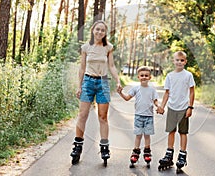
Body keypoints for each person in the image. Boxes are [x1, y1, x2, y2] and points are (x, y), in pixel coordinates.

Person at [70, 20, 121, 165]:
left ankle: (104, 146)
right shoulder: (86, 47)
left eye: (102, 30)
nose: (99, 32)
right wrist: (79, 86)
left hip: (103, 82)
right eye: (97, 29)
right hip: (88, 82)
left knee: (103, 117)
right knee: (82, 115)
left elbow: (111, 66)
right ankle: (77, 146)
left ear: (105, 33)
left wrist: (117, 81)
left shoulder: (108, 48)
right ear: (93, 30)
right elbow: (81, 67)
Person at [117, 66, 163, 167]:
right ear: (138, 77)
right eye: (142, 75)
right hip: (138, 116)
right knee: (138, 135)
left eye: (146, 75)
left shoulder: (152, 90)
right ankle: (136, 152)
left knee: (147, 135)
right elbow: (127, 98)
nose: (144, 77)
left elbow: (155, 100)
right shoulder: (136, 89)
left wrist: (158, 106)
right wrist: (120, 93)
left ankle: (147, 152)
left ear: (150, 77)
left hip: (149, 116)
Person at [158, 51, 195, 172]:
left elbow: (192, 92)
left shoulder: (188, 75)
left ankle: (182, 154)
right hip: (172, 108)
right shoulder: (170, 76)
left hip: (184, 108)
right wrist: (162, 106)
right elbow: (167, 93)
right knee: (171, 131)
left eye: (182, 60)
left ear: (185, 62)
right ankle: (169, 154)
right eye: (177, 60)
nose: (179, 62)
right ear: (173, 61)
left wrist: (190, 107)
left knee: (183, 132)